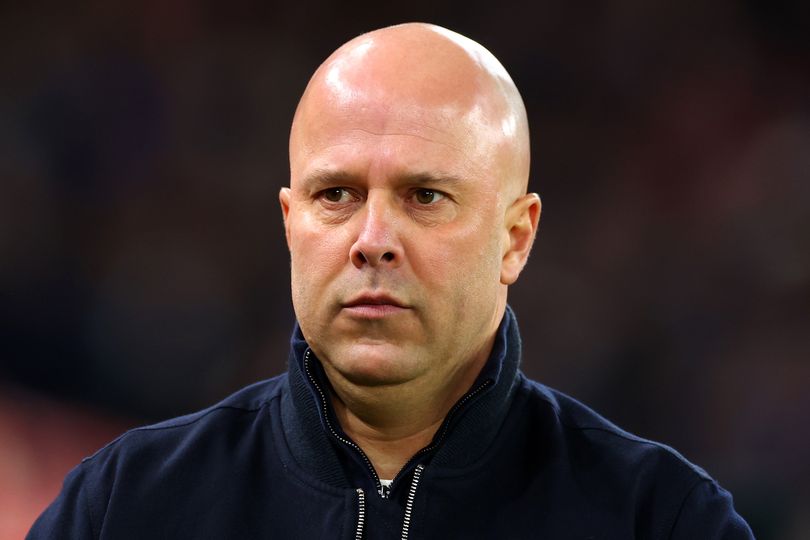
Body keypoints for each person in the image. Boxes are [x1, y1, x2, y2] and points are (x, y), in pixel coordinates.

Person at [28, 23, 754, 539]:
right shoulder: (123, 506)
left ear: (516, 238)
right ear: (289, 222)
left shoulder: (661, 518)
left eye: (425, 197)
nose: (372, 241)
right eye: (335, 195)